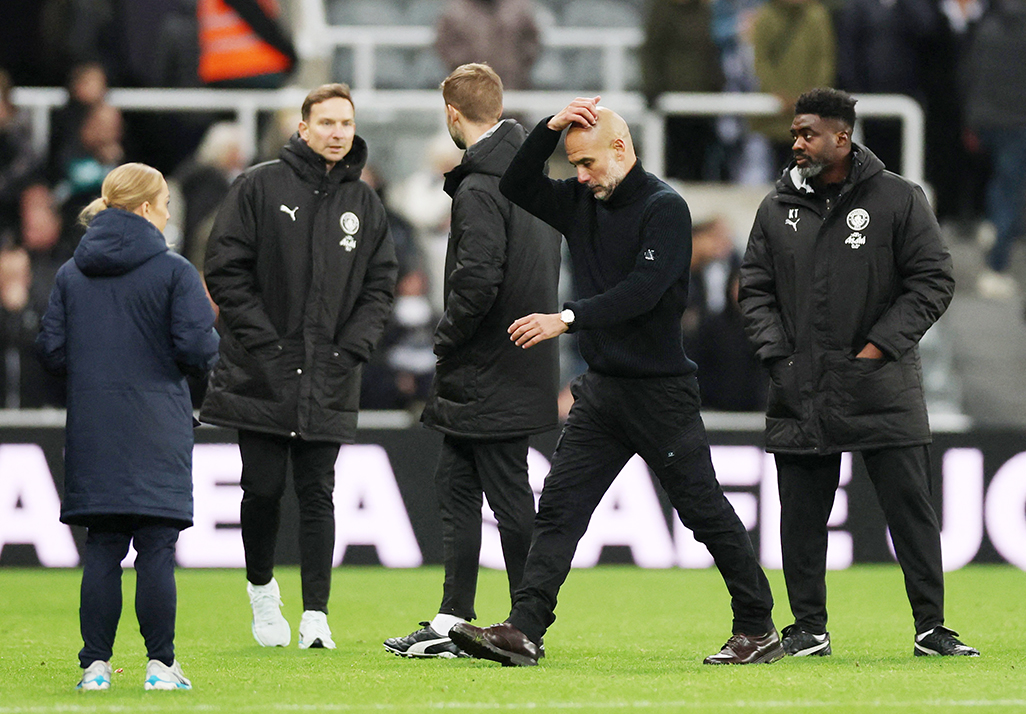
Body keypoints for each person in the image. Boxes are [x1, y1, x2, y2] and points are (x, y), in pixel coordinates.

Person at [448, 96, 783, 667]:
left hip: (659, 393)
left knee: (703, 511)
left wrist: (567, 317)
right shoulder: (581, 200)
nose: (580, 175)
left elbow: (644, 291)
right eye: (573, 163)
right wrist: (549, 130)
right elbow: (517, 184)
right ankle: (526, 629)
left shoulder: (665, 208)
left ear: (621, 148)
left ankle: (757, 626)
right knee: (559, 509)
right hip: (603, 391)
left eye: (587, 162)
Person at [738, 87, 979, 658]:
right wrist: (780, 356)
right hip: (802, 386)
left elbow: (933, 280)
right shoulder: (775, 208)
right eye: (794, 132)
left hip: (881, 383)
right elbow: (754, 290)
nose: (796, 142)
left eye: (807, 133)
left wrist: (877, 349)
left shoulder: (898, 198)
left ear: (842, 137)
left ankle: (932, 628)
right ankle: (807, 630)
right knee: (800, 520)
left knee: (911, 513)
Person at [201, 83, 398, 650]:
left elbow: (380, 285)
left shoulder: (366, 204)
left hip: (331, 373)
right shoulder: (259, 186)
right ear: (303, 128)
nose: (338, 132)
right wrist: (266, 344)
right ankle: (263, 594)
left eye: (346, 123)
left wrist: (350, 348)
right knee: (261, 489)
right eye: (327, 122)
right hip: (261, 371)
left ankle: (316, 615)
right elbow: (225, 268)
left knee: (318, 493)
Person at [383, 64, 560, 659]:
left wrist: (446, 338)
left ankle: (524, 623)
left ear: (453, 116)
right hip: (517, 359)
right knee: (458, 485)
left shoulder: (482, 187)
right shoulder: (530, 176)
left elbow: (477, 281)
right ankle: (452, 616)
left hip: (486, 363)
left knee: (504, 495)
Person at [35, 162, 219, 691]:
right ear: (144, 208)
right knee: (156, 548)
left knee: (103, 546)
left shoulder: (72, 272)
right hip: (157, 425)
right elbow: (197, 347)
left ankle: (95, 668)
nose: (167, 213)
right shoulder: (175, 272)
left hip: (94, 426)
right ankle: (160, 667)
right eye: (164, 204)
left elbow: (51, 349)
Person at [961, 0, 1026, 300]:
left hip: (986, 119)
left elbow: (970, 74)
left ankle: (992, 230)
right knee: (1010, 192)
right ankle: (995, 267)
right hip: (1017, 121)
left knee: (1001, 185)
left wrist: (971, 120)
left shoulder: (986, 25)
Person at [751, 0, 836, 175]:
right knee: (777, 176)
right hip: (776, 117)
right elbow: (761, 62)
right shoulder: (766, 17)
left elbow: (825, 62)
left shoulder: (817, 17)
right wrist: (777, 94)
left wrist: (809, 97)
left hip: (812, 119)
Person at [434, 0, 541, 91]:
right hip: (469, 88)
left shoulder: (519, 8)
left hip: (512, 85)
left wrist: (517, 65)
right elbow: (445, 44)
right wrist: (464, 67)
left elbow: (531, 41)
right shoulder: (456, 10)